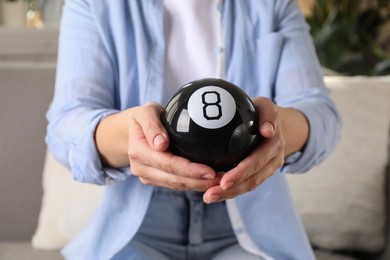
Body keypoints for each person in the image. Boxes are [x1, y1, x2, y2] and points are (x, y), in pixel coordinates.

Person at [46, 0, 341, 259]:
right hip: (139, 227)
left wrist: (278, 129)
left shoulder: (273, 4)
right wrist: (130, 134)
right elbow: (65, 127)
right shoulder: (93, 3)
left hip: (252, 226)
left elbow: (321, 115)